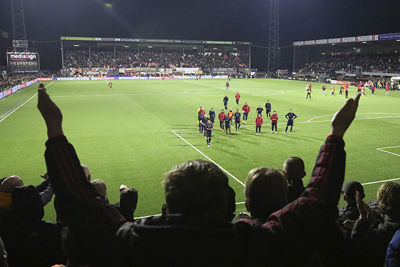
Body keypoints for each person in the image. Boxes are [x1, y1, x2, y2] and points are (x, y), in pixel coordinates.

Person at [37, 83, 361, 267]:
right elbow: (316, 202)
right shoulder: (253, 243)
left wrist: (55, 131)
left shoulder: (132, 242)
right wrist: (336, 133)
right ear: (227, 203)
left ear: (169, 200)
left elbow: (79, 204)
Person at [350, 182, 400, 267]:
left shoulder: (383, 233)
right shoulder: (393, 222)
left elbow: (356, 241)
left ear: (384, 204)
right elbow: (387, 222)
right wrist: (372, 216)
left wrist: (362, 217)